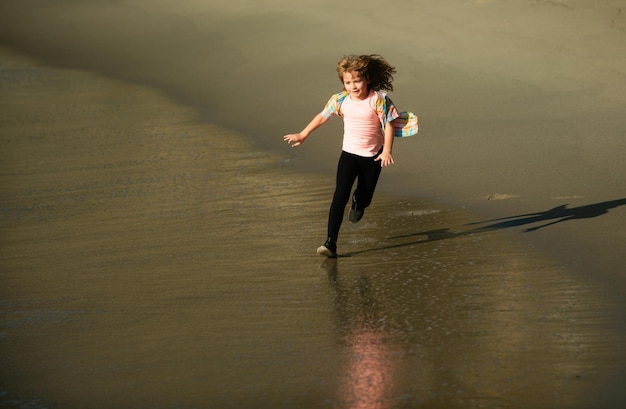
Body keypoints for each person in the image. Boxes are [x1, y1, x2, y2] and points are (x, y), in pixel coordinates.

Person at [283, 54, 418, 257]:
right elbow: (322, 116)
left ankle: (359, 202)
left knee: (365, 196)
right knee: (339, 196)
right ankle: (330, 243)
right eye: (348, 82)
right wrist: (303, 134)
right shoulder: (340, 100)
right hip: (349, 155)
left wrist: (387, 150)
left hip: (374, 157)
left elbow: (388, 125)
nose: (353, 86)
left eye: (357, 81)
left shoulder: (378, 99)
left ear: (367, 79)